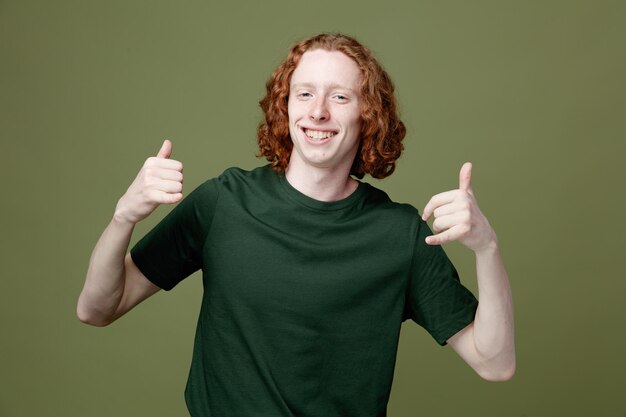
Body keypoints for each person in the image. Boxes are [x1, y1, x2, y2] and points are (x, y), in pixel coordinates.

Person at [77, 33, 515, 416]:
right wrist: (123, 216)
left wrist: (487, 248)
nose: (318, 112)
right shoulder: (223, 202)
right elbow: (96, 309)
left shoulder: (401, 235)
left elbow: (495, 363)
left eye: (340, 97)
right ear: (284, 107)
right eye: (304, 94)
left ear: (369, 114)